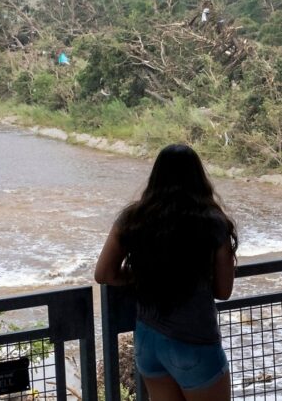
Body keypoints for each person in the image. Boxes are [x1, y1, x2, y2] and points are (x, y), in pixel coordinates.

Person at [95, 144, 238, 401]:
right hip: (195, 341)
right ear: (198, 178)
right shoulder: (213, 222)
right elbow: (223, 291)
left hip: (149, 342)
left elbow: (104, 274)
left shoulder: (133, 218)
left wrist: (141, 274)